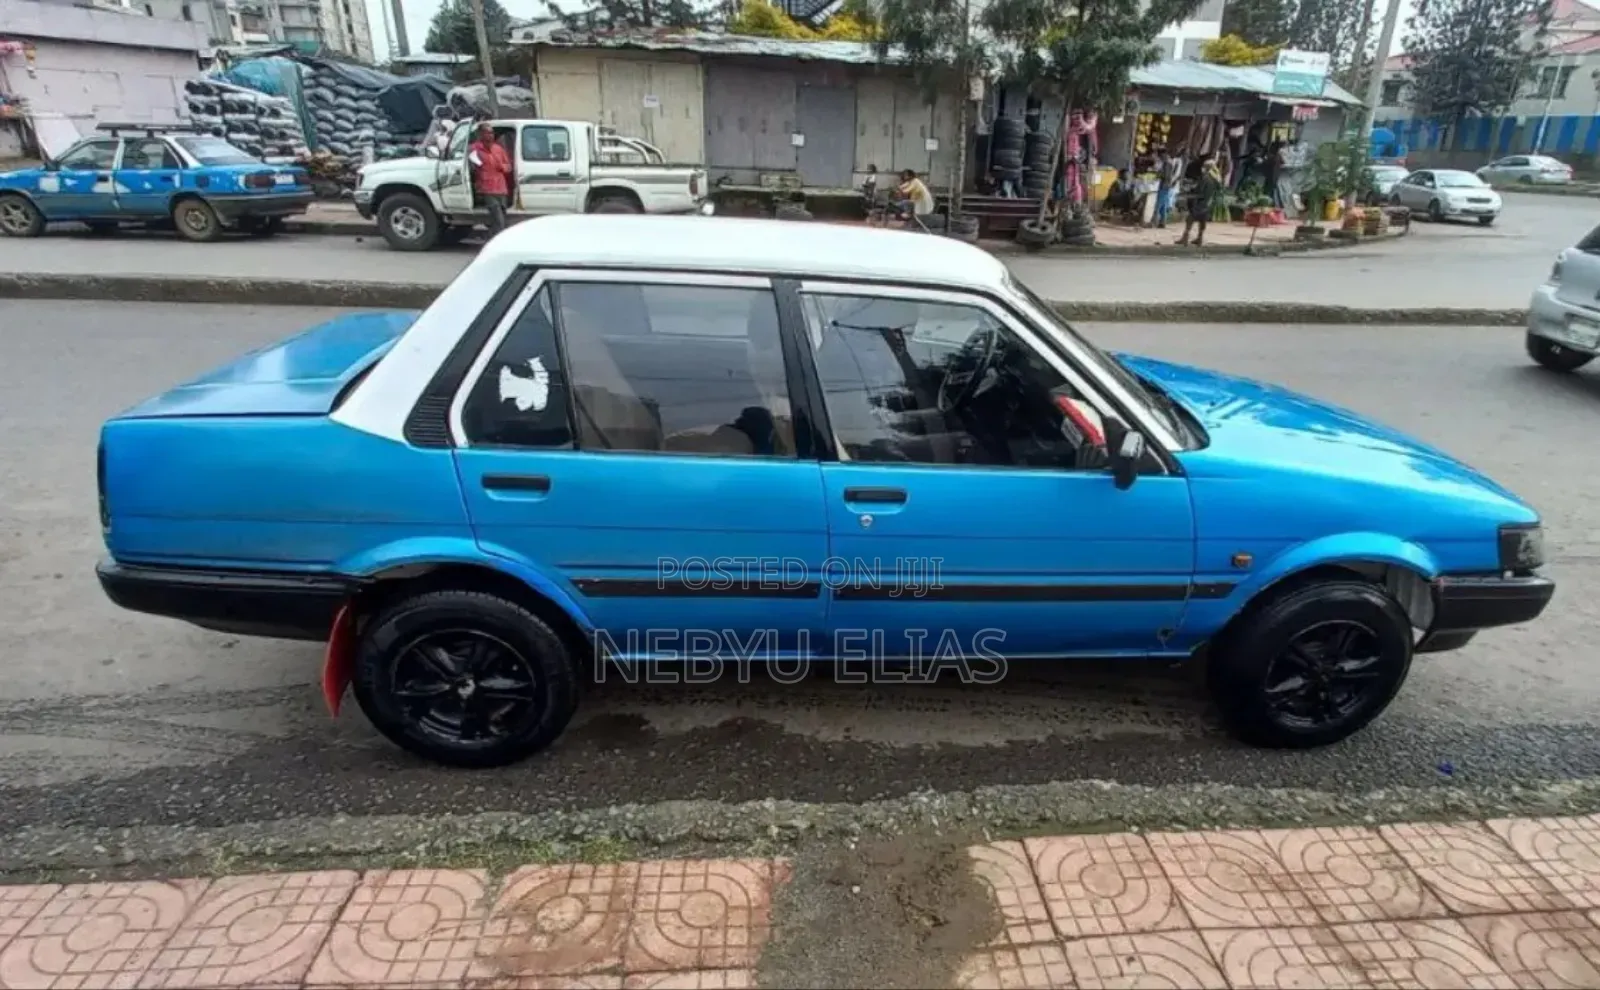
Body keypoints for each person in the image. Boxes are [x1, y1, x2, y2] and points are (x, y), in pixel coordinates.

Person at [467, 123, 513, 235]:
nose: (490, 135)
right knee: (498, 218)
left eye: (491, 133)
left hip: (501, 188)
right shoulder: (474, 149)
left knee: (502, 218)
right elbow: (472, 166)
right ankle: (498, 239)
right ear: (481, 134)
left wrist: (502, 167)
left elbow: (508, 167)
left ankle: (492, 236)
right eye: (487, 133)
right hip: (487, 189)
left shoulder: (498, 149)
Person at [1178, 157, 1222, 247]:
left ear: (1207, 167)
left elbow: (1199, 191)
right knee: (1202, 221)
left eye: (1204, 166)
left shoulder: (1205, 178)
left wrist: (1190, 191)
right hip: (1208, 203)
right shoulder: (1215, 179)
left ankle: (1185, 238)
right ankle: (1200, 238)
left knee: (1190, 219)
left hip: (1199, 202)